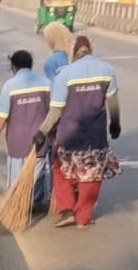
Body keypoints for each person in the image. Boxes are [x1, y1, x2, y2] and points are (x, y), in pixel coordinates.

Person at [34, 35, 121, 228]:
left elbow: (56, 109)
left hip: (69, 136)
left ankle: (66, 209)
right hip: (95, 137)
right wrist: (115, 124)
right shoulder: (107, 70)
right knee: (91, 176)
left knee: (61, 169)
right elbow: (112, 103)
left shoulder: (65, 75)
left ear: (73, 51)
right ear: (91, 48)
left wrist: (42, 132)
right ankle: (83, 218)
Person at [0, 49, 52, 208]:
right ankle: (35, 201)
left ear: (14, 67)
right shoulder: (45, 83)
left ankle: (17, 201)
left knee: (18, 172)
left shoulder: (10, 86)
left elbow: (3, 114)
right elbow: (54, 110)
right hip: (40, 138)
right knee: (37, 171)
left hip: (16, 139)